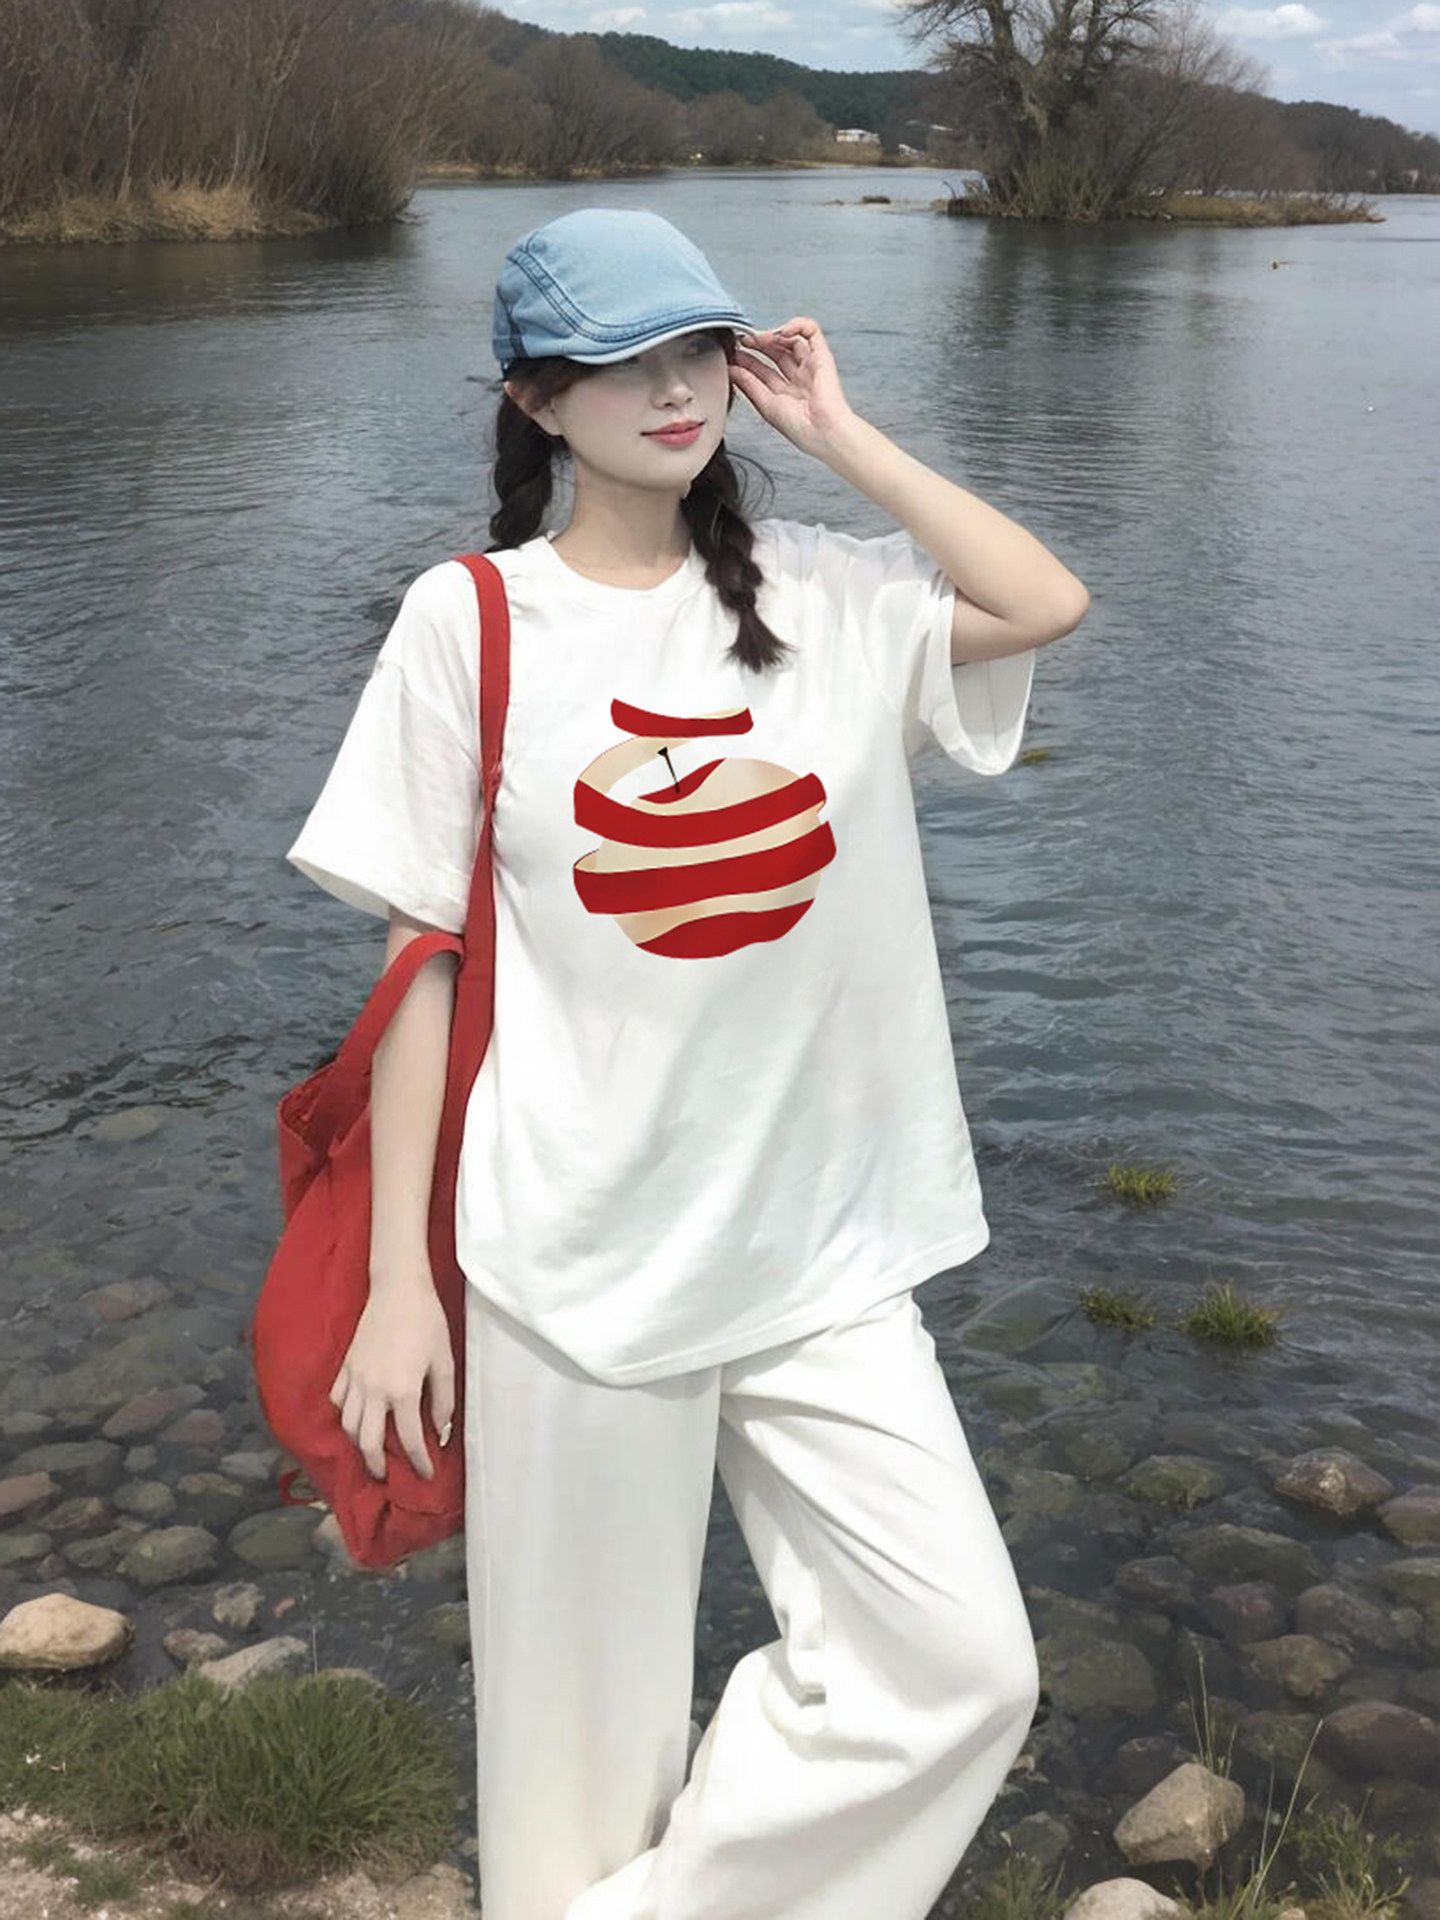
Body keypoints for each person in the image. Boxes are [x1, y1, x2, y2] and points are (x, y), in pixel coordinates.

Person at [285, 206, 1090, 1920]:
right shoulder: (472, 622)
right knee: (576, 1771)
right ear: (533, 400)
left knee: (958, 1669)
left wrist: (840, 434)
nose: (672, 392)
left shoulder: (827, 594)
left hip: (823, 1251)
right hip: (573, 1260)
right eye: (622, 364)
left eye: (696, 352)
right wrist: (405, 1288)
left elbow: (1043, 599)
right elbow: (422, 963)